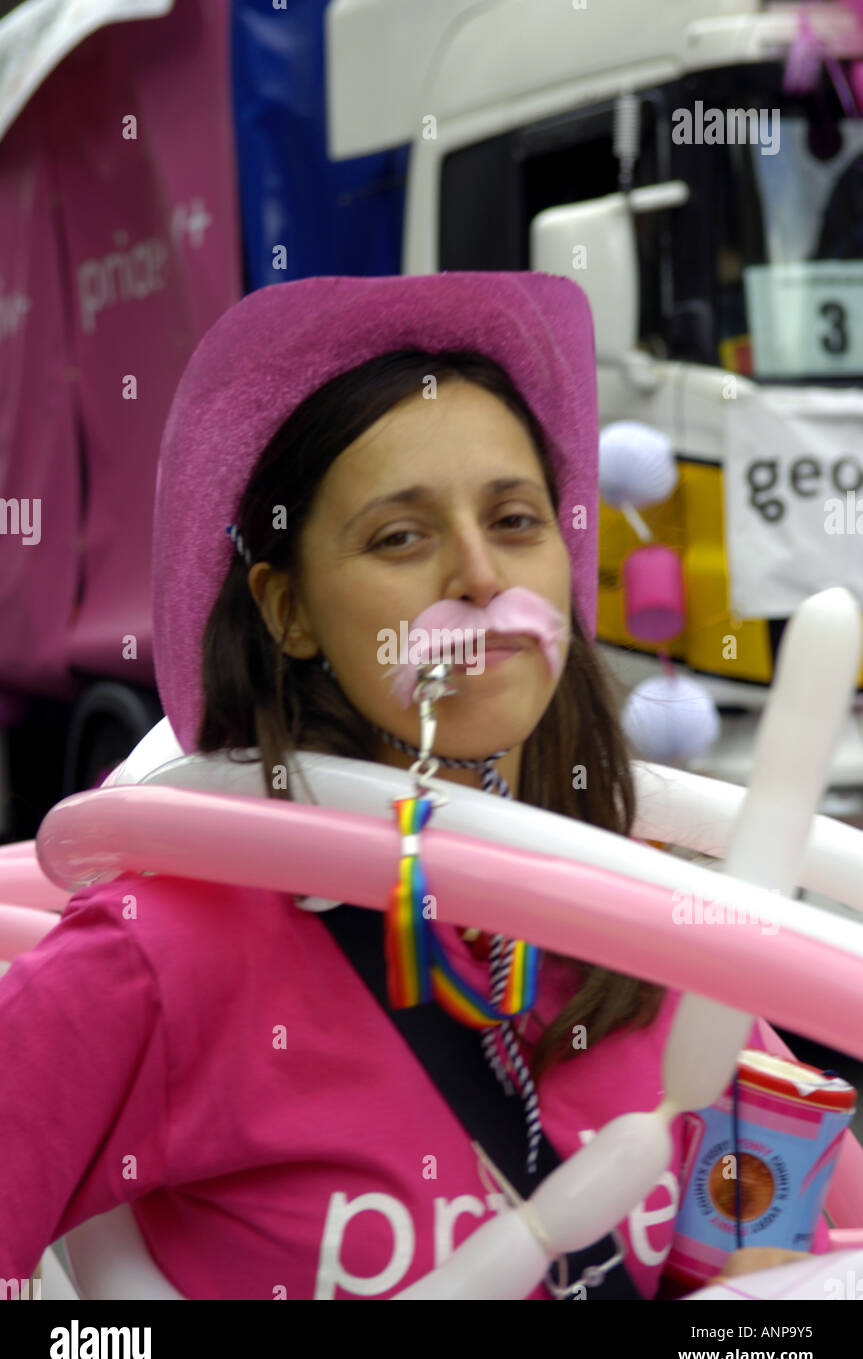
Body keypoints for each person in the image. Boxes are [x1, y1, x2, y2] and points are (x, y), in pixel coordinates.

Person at [0, 273, 824, 1300]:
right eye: (402, 535)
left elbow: (800, 1250)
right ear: (287, 609)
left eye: (516, 520)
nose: (481, 575)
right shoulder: (156, 955)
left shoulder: (659, 929)